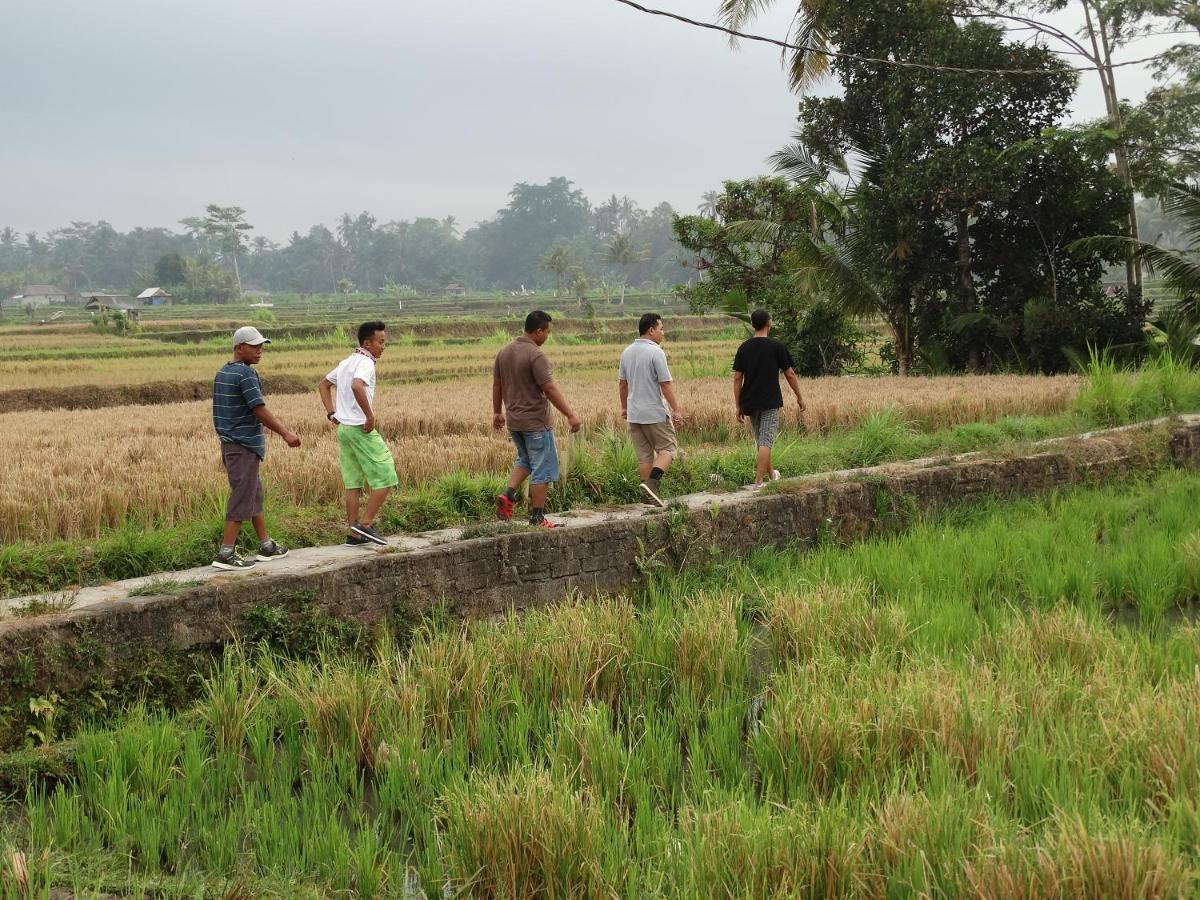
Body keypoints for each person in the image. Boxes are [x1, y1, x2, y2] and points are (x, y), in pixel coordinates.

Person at [211, 326, 302, 570]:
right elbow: (258, 408)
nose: (260, 350)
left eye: (262, 346)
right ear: (239, 348)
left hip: (231, 444)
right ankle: (226, 553)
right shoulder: (245, 375)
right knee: (242, 495)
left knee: (253, 493)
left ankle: (266, 545)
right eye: (254, 346)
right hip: (243, 445)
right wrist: (285, 433)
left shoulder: (223, 372)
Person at [492, 310, 582, 528]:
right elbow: (549, 388)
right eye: (547, 332)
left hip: (515, 422)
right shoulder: (535, 355)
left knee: (525, 460)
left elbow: (497, 385)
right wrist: (570, 415)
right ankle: (537, 517)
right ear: (539, 331)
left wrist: (497, 412)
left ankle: (508, 494)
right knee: (544, 468)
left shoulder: (504, 352)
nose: (548, 336)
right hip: (536, 423)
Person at [318, 321, 398, 546]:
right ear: (367, 343)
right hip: (360, 429)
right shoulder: (365, 362)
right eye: (380, 342)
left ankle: (354, 533)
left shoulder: (346, 362)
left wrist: (331, 413)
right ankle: (367, 524)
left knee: (353, 483)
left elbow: (323, 384)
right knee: (386, 476)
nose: (384, 346)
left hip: (344, 429)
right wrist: (370, 416)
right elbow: (357, 385)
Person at [732, 309, 806, 486]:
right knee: (766, 440)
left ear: (752, 324)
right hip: (770, 400)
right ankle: (758, 482)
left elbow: (737, 378)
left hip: (749, 400)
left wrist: (738, 405)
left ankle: (772, 475)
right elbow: (790, 374)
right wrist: (799, 397)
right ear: (769, 323)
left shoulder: (744, 347)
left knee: (761, 440)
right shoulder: (776, 346)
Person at [619, 313, 684, 507]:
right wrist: (676, 409)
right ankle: (652, 485)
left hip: (634, 414)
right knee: (668, 449)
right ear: (651, 330)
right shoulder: (656, 352)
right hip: (654, 412)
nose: (663, 332)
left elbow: (623, 384)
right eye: (661, 328)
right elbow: (665, 384)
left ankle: (647, 499)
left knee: (645, 457)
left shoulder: (627, 352)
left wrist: (624, 407)